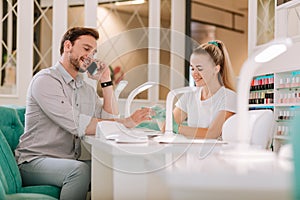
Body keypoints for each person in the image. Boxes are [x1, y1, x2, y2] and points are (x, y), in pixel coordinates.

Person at [15, 27, 151, 200]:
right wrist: (126, 122)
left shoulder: (85, 88)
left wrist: (106, 81)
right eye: (86, 49)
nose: (90, 57)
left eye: (93, 52)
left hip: (67, 160)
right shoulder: (46, 80)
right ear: (67, 46)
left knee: (115, 167)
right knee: (79, 171)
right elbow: (76, 123)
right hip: (33, 161)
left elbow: (108, 122)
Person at [172, 40, 237, 139]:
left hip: (216, 153)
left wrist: (176, 128)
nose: (194, 73)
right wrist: (158, 116)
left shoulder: (229, 97)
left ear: (216, 69)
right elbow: (167, 127)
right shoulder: (190, 95)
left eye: (200, 68)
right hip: (192, 152)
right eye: (193, 68)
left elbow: (212, 134)